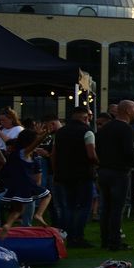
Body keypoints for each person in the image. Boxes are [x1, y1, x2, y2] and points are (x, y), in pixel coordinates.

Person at [94, 99, 134, 252]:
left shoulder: (105, 129)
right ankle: (115, 240)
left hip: (104, 171)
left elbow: (97, 149)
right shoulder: (125, 129)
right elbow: (128, 151)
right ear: (127, 111)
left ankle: (105, 239)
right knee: (117, 208)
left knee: (106, 207)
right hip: (119, 172)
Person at [51, 105, 97, 248]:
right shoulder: (87, 132)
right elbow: (91, 154)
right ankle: (78, 236)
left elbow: (54, 154)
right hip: (83, 175)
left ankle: (68, 236)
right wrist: (98, 164)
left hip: (63, 174)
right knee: (83, 206)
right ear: (85, 117)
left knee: (68, 207)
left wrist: (56, 172)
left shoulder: (60, 132)